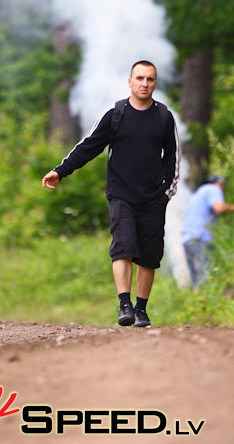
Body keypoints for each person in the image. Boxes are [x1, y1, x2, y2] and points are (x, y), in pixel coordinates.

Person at [42, 60, 180, 328]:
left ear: (155, 83)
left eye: (150, 79)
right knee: (123, 249)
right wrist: (61, 171)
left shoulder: (164, 116)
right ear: (130, 81)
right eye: (139, 78)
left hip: (153, 197)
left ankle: (141, 309)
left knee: (150, 257)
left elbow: (173, 158)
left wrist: (165, 193)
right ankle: (125, 304)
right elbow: (89, 145)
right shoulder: (116, 113)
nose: (144, 84)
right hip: (121, 195)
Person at [181, 175, 234, 289]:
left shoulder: (196, 195)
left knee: (196, 280)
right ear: (219, 184)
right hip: (200, 238)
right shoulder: (213, 189)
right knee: (205, 277)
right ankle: (205, 303)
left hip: (187, 239)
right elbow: (219, 207)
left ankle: (198, 303)